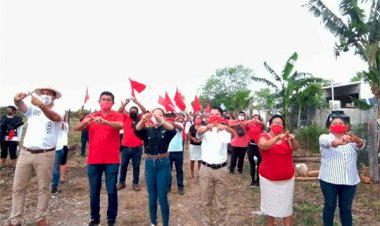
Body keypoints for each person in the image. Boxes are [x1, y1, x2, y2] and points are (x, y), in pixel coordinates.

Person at [7, 87, 64, 226]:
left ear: (54, 97)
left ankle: (40, 217)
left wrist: (41, 105)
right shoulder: (33, 110)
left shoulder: (59, 110)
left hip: (45, 154)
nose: (45, 95)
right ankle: (15, 219)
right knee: (18, 187)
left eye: (48, 93)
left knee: (44, 187)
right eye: (42, 93)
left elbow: (55, 118)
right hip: (26, 153)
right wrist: (17, 99)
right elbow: (21, 106)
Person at [73, 91, 123, 226]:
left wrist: (106, 121)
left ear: (112, 103)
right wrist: (85, 122)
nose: (105, 102)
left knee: (111, 190)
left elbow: (121, 125)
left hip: (112, 160)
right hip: (94, 160)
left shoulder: (117, 115)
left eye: (108, 100)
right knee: (94, 191)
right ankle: (94, 218)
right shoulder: (92, 116)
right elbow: (76, 128)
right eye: (103, 99)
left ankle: (111, 218)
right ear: (99, 101)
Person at [319, 115, 365, 226]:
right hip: (329, 180)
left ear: (346, 126)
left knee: (346, 208)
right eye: (334, 124)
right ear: (329, 127)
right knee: (330, 206)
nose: (338, 125)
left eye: (341, 123)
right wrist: (340, 142)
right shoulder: (324, 137)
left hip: (350, 181)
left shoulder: (351, 139)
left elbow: (361, 145)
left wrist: (357, 139)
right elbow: (331, 143)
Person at [134, 108, 176, 226]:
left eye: (160, 115)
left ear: (164, 117)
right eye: (155, 115)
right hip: (149, 163)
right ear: (151, 117)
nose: (157, 117)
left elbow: (173, 129)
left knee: (162, 196)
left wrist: (162, 121)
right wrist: (143, 120)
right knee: (152, 196)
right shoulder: (147, 130)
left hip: (162, 163)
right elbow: (137, 130)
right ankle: (153, 222)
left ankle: (165, 223)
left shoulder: (166, 130)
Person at [257, 114, 299, 226]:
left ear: (283, 126)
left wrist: (293, 139)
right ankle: (271, 224)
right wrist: (277, 138)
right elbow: (263, 146)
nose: (277, 125)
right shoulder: (264, 136)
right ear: (270, 125)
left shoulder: (287, 138)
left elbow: (295, 148)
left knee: (286, 205)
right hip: (268, 179)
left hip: (287, 179)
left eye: (280, 123)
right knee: (271, 205)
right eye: (275, 123)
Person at [197, 106, 234, 226]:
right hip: (206, 169)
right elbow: (198, 132)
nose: (214, 116)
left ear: (221, 116)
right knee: (205, 201)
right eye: (212, 114)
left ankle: (221, 223)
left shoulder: (224, 130)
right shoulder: (205, 129)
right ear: (208, 116)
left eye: (217, 114)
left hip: (221, 169)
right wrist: (207, 127)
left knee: (222, 202)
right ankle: (206, 223)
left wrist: (226, 127)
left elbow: (234, 135)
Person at [116, 97, 147, 191]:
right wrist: (126, 102)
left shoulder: (141, 118)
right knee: (123, 166)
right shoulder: (126, 117)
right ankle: (121, 182)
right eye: (131, 110)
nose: (132, 111)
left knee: (136, 166)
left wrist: (137, 102)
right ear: (129, 112)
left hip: (137, 148)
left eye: (134, 110)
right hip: (125, 147)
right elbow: (119, 110)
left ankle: (135, 183)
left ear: (137, 113)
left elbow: (144, 111)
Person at [167, 113, 185, 195]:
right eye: (167, 116)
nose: (169, 117)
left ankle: (180, 186)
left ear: (175, 117)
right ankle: (168, 186)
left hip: (178, 150)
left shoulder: (179, 123)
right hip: (167, 151)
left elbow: (180, 128)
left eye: (171, 116)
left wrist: (171, 122)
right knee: (168, 170)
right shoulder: (164, 125)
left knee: (179, 170)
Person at [51, 113, 69, 193]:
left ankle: (59, 180)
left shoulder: (65, 124)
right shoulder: (54, 124)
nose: (65, 117)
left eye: (65, 116)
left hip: (62, 146)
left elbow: (61, 125)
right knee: (54, 166)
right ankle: (53, 181)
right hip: (54, 147)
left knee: (60, 164)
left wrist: (60, 118)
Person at [246, 114, 265, 187]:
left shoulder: (260, 126)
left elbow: (264, 126)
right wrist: (251, 121)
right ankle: (252, 180)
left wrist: (259, 122)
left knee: (260, 164)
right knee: (252, 164)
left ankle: (258, 180)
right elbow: (245, 125)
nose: (256, 119)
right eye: (254, 118)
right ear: (252, 118)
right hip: (251, 146)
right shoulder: (249, 125)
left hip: (259, 146)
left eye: (257, 118)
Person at [187, 114, 203, 178]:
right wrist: (192, 138)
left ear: (201, 120)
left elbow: (205, 136)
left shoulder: (203, 127)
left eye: (199, 118)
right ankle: (192, 172)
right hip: (193, 145)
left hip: (200, 146)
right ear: (194, 119)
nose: (198, 119)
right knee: (192, 160)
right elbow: (188, 135)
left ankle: (199, 173)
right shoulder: (192, 127)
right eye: (196, 118)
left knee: (200, 160)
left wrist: (201, 140)